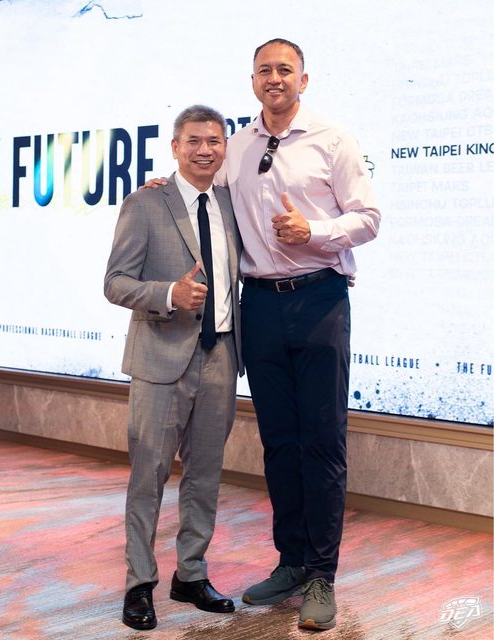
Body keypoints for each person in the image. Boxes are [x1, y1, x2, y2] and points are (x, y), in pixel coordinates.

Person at [144, 38, 380, 632]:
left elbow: (369, 218)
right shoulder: (239, 146)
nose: (274, 78)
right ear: (252, 81)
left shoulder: (333, 139)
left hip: (321, 297)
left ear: (304, 79)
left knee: (321, 442)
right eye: (264, 70)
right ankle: (291, 561)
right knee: (278, 442)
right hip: (261, 307)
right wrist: (160, 187)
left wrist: (315, 231)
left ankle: (321, 574)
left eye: (285, 70)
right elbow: (197, 183)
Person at [104, 105, 243, 631]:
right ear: (175, 147)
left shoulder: (230, 203)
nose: (205, 150)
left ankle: (191, 574)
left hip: (221, 356)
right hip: (161, 357)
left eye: (214, 141)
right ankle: (139, 582)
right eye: (194, 141)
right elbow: (116, 282)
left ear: (224, 147)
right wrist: (168, 294)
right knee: (149, 475)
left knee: (205, 474)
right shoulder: (145, 202)